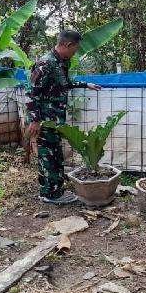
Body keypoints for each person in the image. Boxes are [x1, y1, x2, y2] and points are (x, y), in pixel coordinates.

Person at [26, 30, 101, 204]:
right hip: (45, 120)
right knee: (49, 156)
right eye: (75, 49)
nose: (75, 52)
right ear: (68, 45)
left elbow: (64, 84)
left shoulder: (61, 62)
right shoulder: (45, 63)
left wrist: (85, 84)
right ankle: (52, 195)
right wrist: (35, 120)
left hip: (56, 120)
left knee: (52, 154)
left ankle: (50, 190)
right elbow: (31, 93)